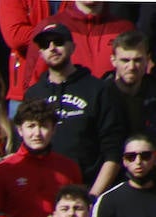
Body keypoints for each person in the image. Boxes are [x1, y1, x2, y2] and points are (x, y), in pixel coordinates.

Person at [22, 21, 125, 194]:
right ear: (40, 53)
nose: (52, 48)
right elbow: (23, 149)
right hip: (43, 194)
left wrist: (92, 197)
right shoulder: (33, 94)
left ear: (73, 47)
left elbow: (113, 151)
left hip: (87, 189)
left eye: (58, 41)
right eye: (46, 44)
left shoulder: (98, 89)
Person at [0, 100, 82, 217]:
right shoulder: (2, 171)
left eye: (43, 126)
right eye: (31, 126)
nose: (37, 133)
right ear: (20, 130)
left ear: (54, 129)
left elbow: (80, 211)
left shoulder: (69, 168)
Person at [92, 133, 156, 217]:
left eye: (145, 156)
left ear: (154, 158)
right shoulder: (109, 200)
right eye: (131, 157)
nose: (138, 161)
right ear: (124, 161)